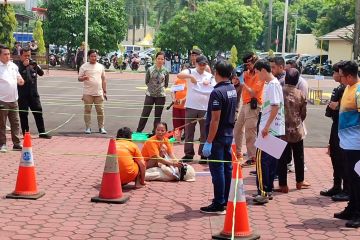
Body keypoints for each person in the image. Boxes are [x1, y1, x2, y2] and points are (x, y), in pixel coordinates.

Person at [200, 60, 237, 214]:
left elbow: (215, 120)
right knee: (227, 168)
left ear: (217, 73)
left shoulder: (217, 92)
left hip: (218, 136)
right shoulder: (232, 89)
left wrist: (208, 141)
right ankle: (227, 199)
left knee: (218, 170)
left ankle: (219, 202)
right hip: (228, 134)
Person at [252, 59, 285, 205]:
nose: (257, 75)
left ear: (263, 71)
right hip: (275, 128)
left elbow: (275, 106)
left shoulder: (272, 85)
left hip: (269, 129)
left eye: (257, 72)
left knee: (262, 161)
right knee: (270, 162)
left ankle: (263, 192)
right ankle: (268, 189)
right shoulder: (274, 84)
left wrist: (266, 127)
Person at [334, 61, 360, 228]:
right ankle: (351, 208)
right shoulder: (348, 88)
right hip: (346, 142)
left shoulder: (358, 90)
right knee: (350, 179)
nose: (340, 78)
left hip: (356, 144)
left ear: (349, 76)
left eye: (342, 75)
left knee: (357, 180)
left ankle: (358, 213)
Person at [177, 55, 216, 161]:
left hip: (205, 107)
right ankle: (189, 154)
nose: (202, 66)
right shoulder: (190, 71)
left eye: (204, 64)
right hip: (191, 106)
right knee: (189, 132)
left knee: (204, 132)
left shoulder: (209, 75)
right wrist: (190, 77)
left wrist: (209, 83)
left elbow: (215, 87)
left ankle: (203, 154)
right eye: (200, 64)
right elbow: (179, 75)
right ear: (196, 63)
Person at [320, 62, 349, 201]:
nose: (334, 75)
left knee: (343, 158)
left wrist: (337, 107)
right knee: (335, 156)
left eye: (336, 72)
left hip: (345, 128)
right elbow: (330, 110)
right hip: (336, 125)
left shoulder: (350, 89)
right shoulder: (340, 88)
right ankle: (337, 185)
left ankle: (347, 189)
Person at [277, 68, 309, 193]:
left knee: (282, 158)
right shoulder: (300, 94)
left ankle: (283, 185)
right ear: (297, 80)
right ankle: (300, 181)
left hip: (281, 130)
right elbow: (303, 114)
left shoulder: (279, 91)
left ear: (286, 79)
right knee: (299, 156)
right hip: (297, 130)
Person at [233, 53, 264, 166]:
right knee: (237, 129)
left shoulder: (259, 75)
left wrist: (242, 82)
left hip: (253, 105)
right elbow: (237, 83)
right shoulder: (247, 73)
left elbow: (254, 92)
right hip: (245, 104)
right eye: (246, 64)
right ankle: (238, 153)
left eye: (249, 64)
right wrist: (237, 78)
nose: (248, 66)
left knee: (250, 132)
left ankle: (253, 157)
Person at [16, 48, 51, 139]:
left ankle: (42, 132)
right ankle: (26, 133)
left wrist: (36, 65)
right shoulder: (17, 66)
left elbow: (41, 73)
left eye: (29, 55)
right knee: (24, 114)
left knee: (38, 112)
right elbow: (16, 76)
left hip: (33, 94)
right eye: (25, 56)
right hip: (22, 94)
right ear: (21, 56)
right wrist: (23, 66)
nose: (27, 57)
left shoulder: (33, 64)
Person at [136, 51, 169, 134]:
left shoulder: (166, 71)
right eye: (158, 59)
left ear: (164, 60)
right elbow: (146, 81)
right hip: (150, 95)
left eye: (162, 59)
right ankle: (139, 131)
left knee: (157, 116)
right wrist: (152, 88)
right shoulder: (150, 69)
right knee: (145, 113)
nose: (160, 60)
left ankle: (155, 132)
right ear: (155, 59)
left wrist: (159, 89)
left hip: (161, 96)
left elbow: (166, 84)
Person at [0, 45, 25, 153]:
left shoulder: (13, 66)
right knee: (2, 123)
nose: (8, 56)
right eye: (5, 54)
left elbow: (19, 77)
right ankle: (2, 144)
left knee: (15, 122)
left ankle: (16, 143)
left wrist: (21, 80)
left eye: (9, 54)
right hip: (2, 100)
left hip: (14, 99)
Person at [78, 49, 107, 134]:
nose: (94, 58)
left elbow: (104, 79)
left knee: (100, 111)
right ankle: (88, 128)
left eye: (95, 56)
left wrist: (105, 91)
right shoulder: (84, 66)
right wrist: (83, 78)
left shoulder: (100, 66)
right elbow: (79, 78)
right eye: (92, 56)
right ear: (88, 57)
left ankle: (101, 127)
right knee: (87, 110)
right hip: (88, 93)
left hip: (99, 93)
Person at [171, 65, 188, 142]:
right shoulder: (178, 80)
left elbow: (191, 94)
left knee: (187, 124)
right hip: (176, 106)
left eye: (185, 71)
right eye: (183, 70)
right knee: (177, 124)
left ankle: (187, 140)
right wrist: (174, 98)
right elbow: (172, 91)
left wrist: (183, 100)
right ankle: (178, 139)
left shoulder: (190, 82)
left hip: (186, 107)